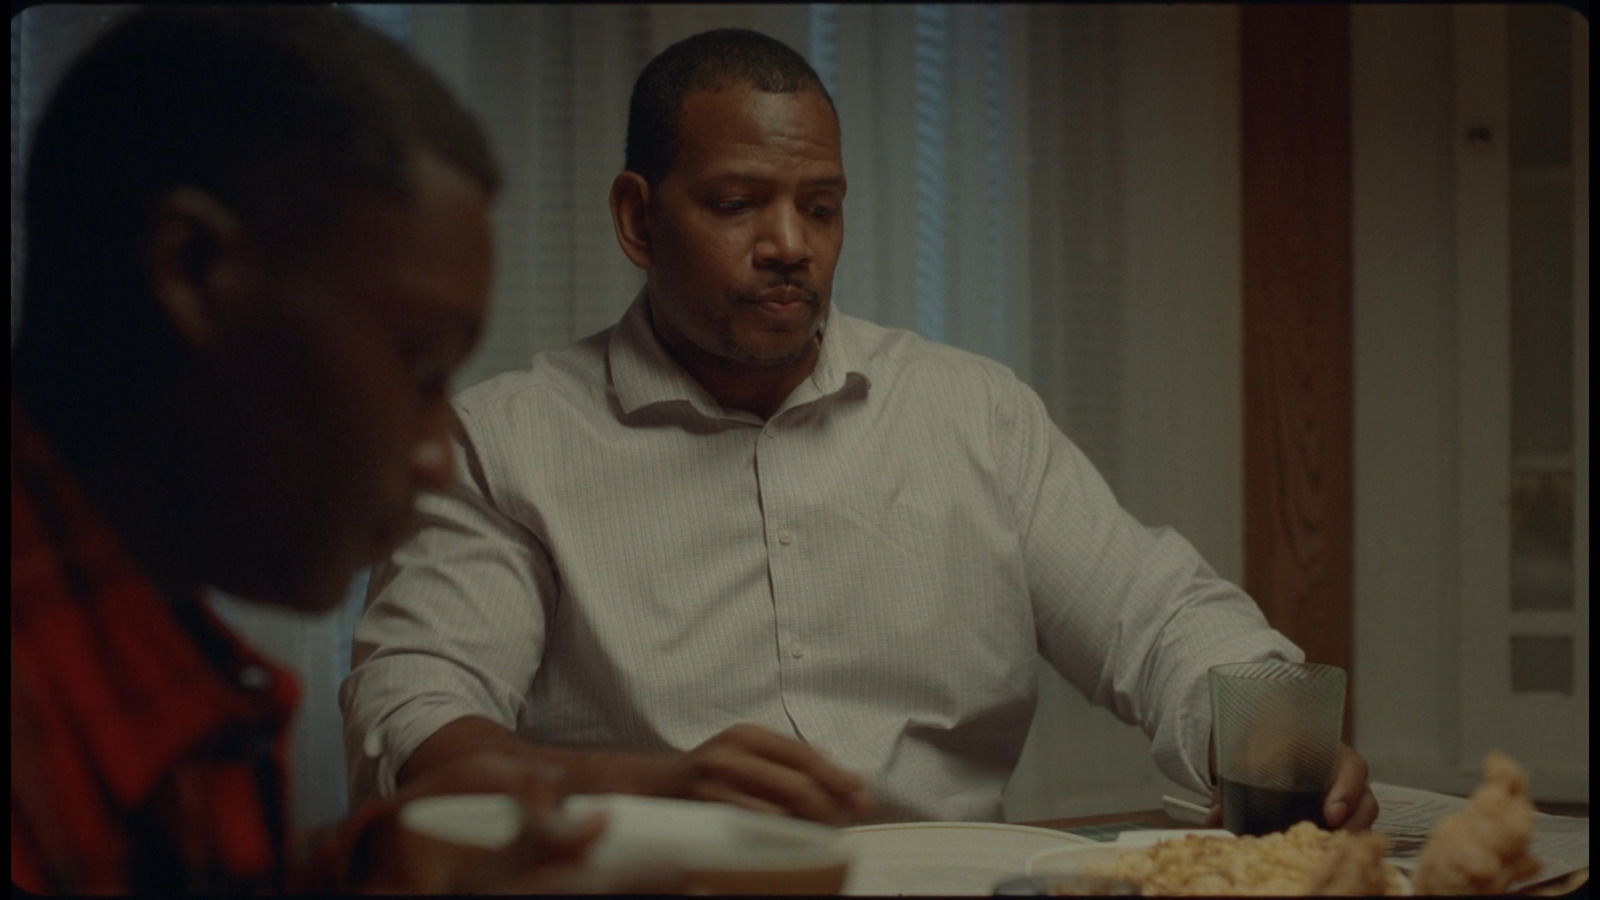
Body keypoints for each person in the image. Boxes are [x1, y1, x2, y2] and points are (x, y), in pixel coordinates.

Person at [342, 27, 1380, 831]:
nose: (789, 245)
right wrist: (650, 789)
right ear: (637, 218)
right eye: (739, 203)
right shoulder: (504, 442)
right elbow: (420, 722)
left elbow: (1156, 619)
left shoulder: (970, 412)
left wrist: (1276, 742)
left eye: (822, 207)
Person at [9, 7, 668, 894]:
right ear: (196, 271)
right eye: (417, 363)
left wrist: (381, 873)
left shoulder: (161, 651)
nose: (438, 454)